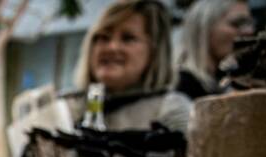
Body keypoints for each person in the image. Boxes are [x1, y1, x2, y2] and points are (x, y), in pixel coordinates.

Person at [70, 0, 193, 133]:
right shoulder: (67, 109)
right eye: (104, 37)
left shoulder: (170, 110)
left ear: (155, 51)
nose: (112, 47)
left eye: (128, 38)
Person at [176, 0, 256, 99]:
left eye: (249, 23)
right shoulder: (180, 88)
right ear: (205, 28)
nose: (249, 31)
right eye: (237, 23)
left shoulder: (226, 82)